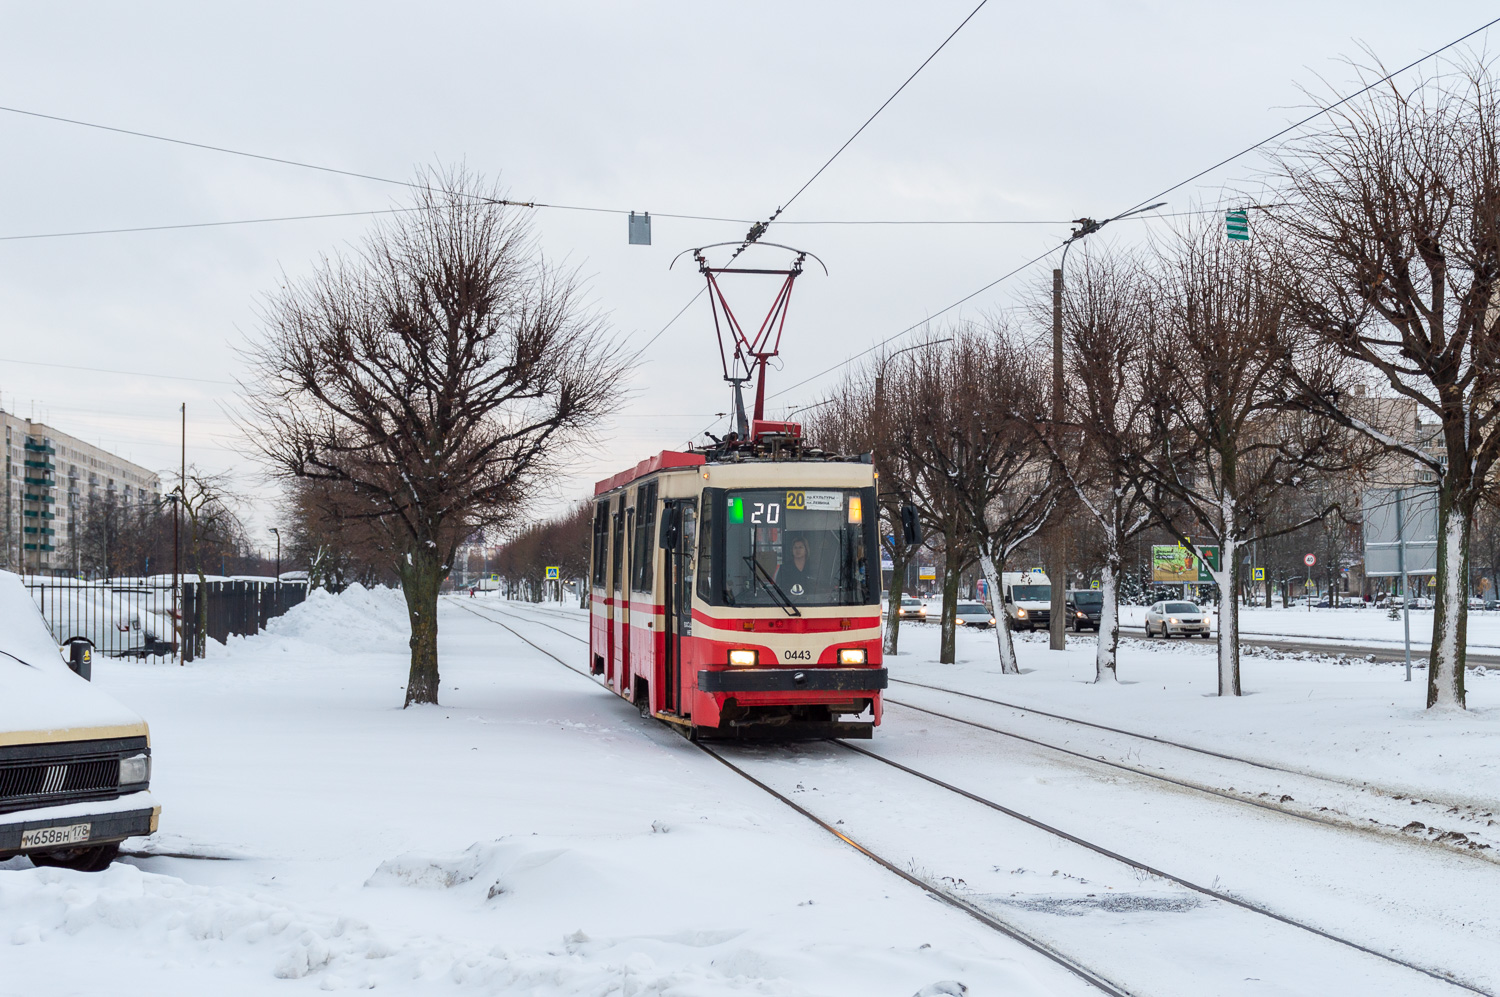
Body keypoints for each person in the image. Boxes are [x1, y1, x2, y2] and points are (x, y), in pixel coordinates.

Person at [776, 536, 817, 600]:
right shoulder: (784, 568)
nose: (798, 550)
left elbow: (818, 587)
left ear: (806, 550)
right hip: (788, 602)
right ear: (792, 550)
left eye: (801, 547)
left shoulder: (813, 567)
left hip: (811, 602)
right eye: (795, 547)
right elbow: (779, 587)